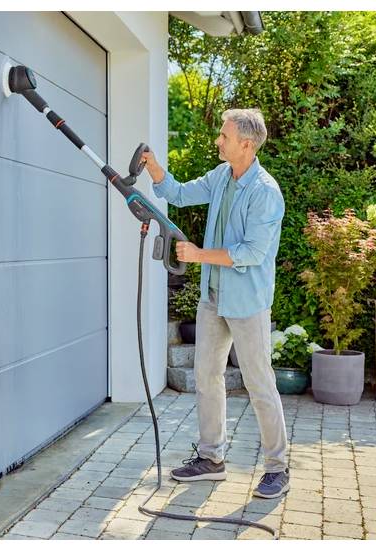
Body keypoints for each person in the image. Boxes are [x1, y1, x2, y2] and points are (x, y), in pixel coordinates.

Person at [141, 108, 289, 499]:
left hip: (248, 304)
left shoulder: (265, 192)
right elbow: (181, 193)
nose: (217, 141)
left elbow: (252, 252)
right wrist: (156, 170)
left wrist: (199, 255)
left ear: (246, 143)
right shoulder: (222, 176)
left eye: (224, 136)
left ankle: (278, 467)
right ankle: (212, 460)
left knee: (260, 385)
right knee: (207, 378)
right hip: (213, 299)